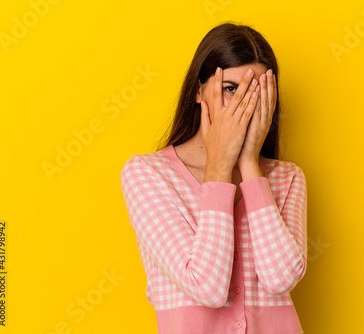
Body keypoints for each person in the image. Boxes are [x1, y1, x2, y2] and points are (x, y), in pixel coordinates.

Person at [120, 22, 308, 334]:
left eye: (258, 91)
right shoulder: (147, 174)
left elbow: (281, 278)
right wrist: (219, 170)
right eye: (231, 88)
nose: (244, 104)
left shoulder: (287, 177)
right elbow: (206, 286)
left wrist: (249, 163)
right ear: (197, 90)